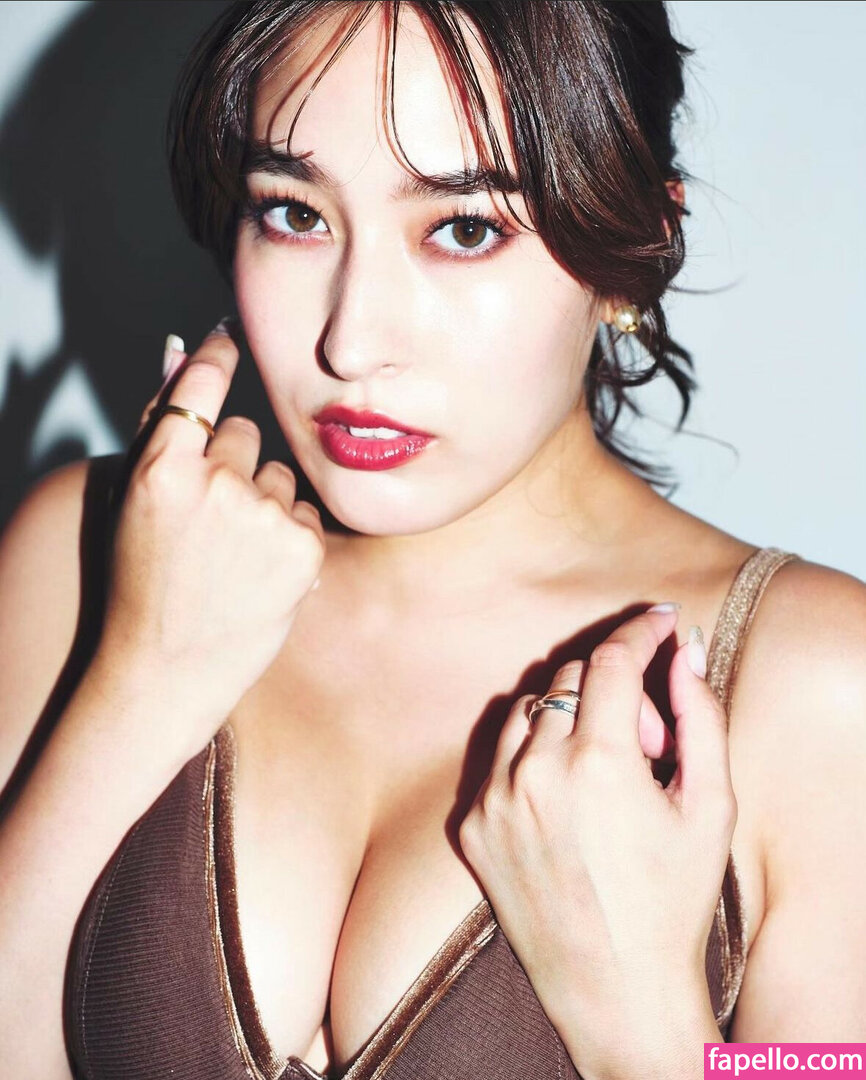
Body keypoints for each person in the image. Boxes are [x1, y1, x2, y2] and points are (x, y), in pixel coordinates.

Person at [0, 2, 864, 1078]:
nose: (352, 340)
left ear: (631, 250)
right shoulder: (87, 557)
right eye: (294, 213)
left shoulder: (815, 688)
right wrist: (138, 685)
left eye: (462, 229)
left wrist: (640, 1013)